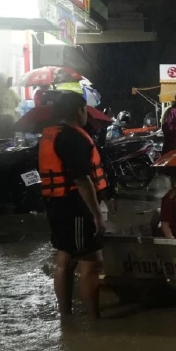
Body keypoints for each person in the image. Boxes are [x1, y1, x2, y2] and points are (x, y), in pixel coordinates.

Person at [38, 92, 108, 318]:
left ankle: (66, 319)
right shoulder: (73, 137)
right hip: (75, 207)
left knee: (65, 257)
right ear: (79, 110)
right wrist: (97, 214)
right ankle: (94, 320)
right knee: (91, 262)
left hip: (56, 205)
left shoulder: (51, 135)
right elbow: (81, 179)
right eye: (85, 109)